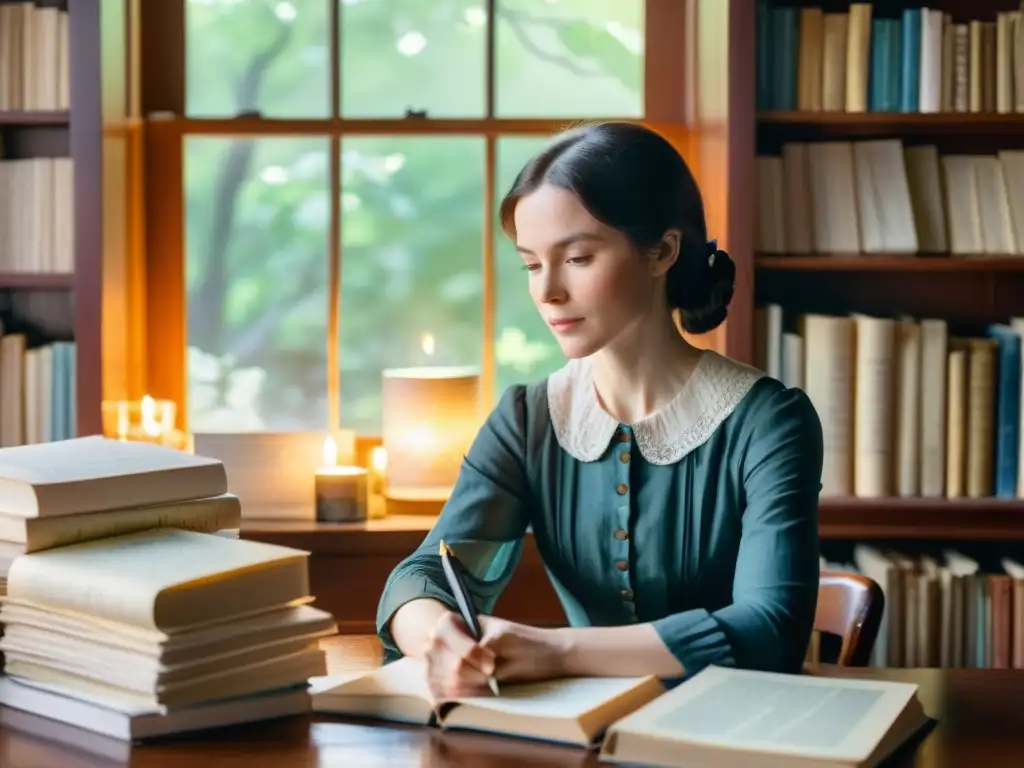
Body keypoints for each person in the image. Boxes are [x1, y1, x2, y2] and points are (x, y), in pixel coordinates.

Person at [375, 121, 824, 701]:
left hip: (737, 731)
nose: (547, 292)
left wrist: (557, 649)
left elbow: (772, 631)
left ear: (662, 251)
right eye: (532, 265)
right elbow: (419, 576)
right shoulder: (528, 418)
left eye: (578, 258)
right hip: (573, 734)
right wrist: (440, 637)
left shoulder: (768, 422)